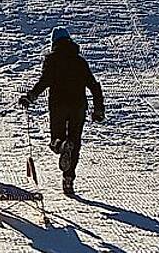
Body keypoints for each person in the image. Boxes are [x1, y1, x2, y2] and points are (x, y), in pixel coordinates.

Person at [17, 27, 104, 196]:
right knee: (75, 143)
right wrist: (98, 109)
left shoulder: (52, 59)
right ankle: (68, 178)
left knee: (56, 140)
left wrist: (30, 97)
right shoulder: (80, 61)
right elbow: (94, 85)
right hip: (78, 107)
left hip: (58, 105)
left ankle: (62, 145)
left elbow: (45, 81)